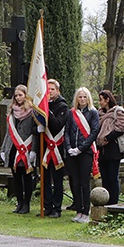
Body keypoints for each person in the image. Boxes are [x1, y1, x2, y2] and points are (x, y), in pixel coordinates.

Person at [0, 84, 38, 214]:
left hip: (26, 148)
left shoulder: (32, 111)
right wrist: (4, 149)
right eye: (16, 95)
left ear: (25, 95)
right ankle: (19, 202)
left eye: (20, 95)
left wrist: (34, 150)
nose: (18, 98)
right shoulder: (12, 111)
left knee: (26, 177)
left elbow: (35, 133)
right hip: (13, 148)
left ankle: (26, 203)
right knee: (16, 177)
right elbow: (8, 132)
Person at [65, 86, 99, 223]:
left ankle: (86, 211)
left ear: (88, 98)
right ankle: (78, 210)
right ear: (76, 99)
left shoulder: (93, 113)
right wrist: (68, 147)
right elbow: (66, 131)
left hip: (86, 152)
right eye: (80, 97)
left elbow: (94, 132)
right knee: (75, 182)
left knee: (85, 182)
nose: (82, 99)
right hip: (72, 152)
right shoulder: (71, 113)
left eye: (85, 96)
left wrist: (81, 148)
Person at [95, 89, 124, 205]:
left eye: (101, 100)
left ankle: (114, 201)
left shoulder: (118, 112)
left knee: (112, 177)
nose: (99, 102)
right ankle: (105, 199)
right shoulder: (99, 114)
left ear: (107, 100)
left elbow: (121, 128)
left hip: (113, 149)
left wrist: (107, 138)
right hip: (102, 150)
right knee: (104, 177)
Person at [42, 78, 70, 218]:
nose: (50, 91)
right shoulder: (42, 105)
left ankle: (57, 208)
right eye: (48, 89)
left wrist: (48, 113)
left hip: (58, 148)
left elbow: (58, 125)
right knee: (45, 178)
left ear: (58, 91)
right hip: (44, 146)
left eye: (52, 89)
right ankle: (47, 206)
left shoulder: (62, 106)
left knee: (57, 179)